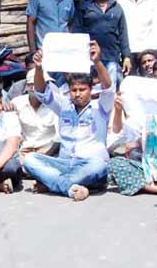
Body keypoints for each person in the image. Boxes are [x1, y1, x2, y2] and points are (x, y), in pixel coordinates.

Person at [24, 41, 114, 201]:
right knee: (30, 159)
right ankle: (70, 187)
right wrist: (38, 67)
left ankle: (53, 183)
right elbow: (40, 90)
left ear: (91, 89)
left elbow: (108, 87)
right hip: (64, 163)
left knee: (100, 166)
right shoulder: (63, 106)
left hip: (89, 163)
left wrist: (97, 62)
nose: (77, 94)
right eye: (74, 90)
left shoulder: (100, 107)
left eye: (82, 90)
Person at [108, 76, 157, 197]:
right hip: (149, 166)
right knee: (114, 164)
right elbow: (118, 132)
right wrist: (118, 110)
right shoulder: (146, 113)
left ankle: (153, 185)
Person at [73, 0, 133, 85]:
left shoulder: (117, 7)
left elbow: (123, 33)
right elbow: (77, 31)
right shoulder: (84, 6)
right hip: (89, 58)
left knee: (110, 89)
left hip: (111, 57)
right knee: (91, 89)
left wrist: (126, 57)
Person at [9, 69, 59, 161]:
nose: (46, 88)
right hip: (24, 152)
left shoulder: (56, 104)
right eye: (41, 84)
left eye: (47, 85)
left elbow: (59, 138)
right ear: (29, 86)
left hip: (49, 152)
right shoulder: (17, 103)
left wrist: (44, 158)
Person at [118, 0, 157, 71]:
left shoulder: (154, 1)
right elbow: (119, 28)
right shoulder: (121, 2)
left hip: (147, 52)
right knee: (129, 81)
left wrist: (154, 51)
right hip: (128, 51)